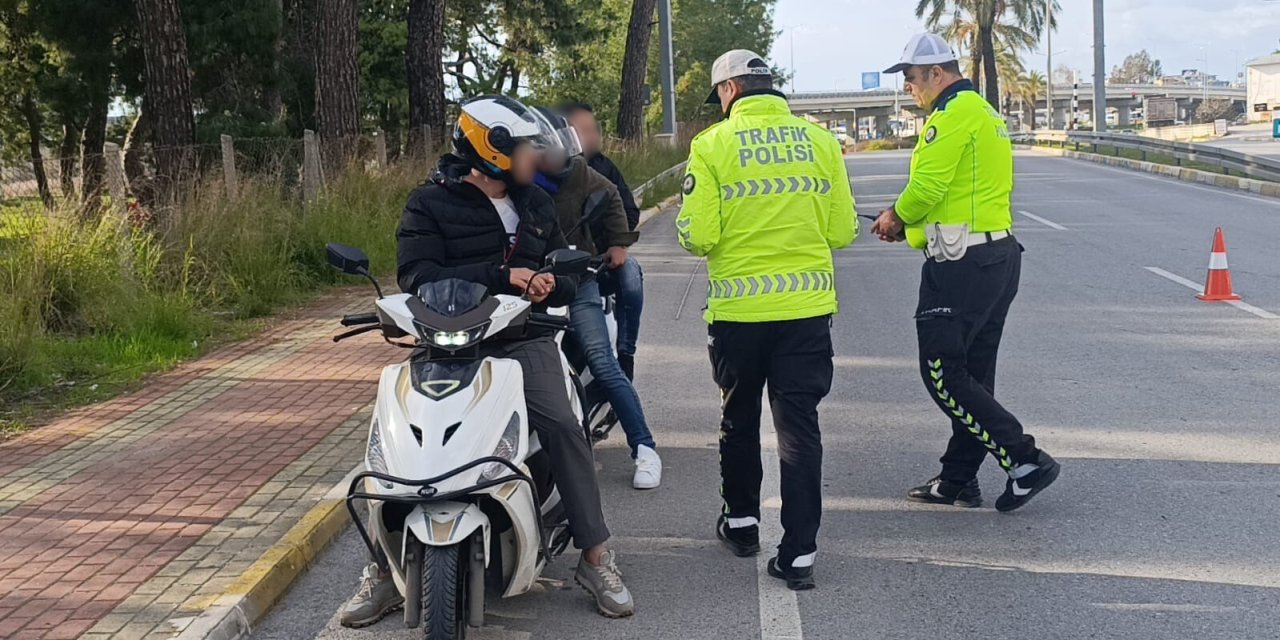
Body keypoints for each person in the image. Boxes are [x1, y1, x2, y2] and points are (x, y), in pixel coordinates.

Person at [339, 96, 634, 626]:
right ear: (490, 148)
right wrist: (504, 277)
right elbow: (417, 275)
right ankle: (381, 571)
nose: (534, 157)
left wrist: (551, 281)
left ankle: (594, 557)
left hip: (521, 339)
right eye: (524, 148)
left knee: (565, 425)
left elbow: (564, 269)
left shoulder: (536, 205)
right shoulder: (430, 203)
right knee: (392, 435)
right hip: (444, 339)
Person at [677, 49, 857, 590]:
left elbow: (699, 236)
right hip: (805, 313)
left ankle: (742, 524)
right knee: (799, 429)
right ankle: (799, 553)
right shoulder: (821, 142)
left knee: (739, 418)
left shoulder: (712, 145)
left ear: (729, 91)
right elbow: (842, 230)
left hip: (739, 314)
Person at [872, 33, 1060, 513]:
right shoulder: (984, 113)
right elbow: (958, 195)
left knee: (942, 373)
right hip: (995, 256)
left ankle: (1024, 458)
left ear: (937, 74)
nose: (910, 89)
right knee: (973, 374)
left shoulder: (951, 117)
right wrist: (908, 230)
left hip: (961, 265)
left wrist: (895, 216)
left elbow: (928, 186)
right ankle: (957, 480)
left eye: (912, 79)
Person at [531, 106, 662, 490]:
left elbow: (612, 196)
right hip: (531, 284)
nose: (551, 155)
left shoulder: (584, 174)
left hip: (579, 279)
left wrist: (619, 243)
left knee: (603, 362)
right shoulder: (521, 180)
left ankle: (644, 448)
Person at [559, 102, 647, 383]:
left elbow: (629, 211)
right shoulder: (543, 170)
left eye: (593, 129)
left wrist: (613, 244)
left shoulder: (603, 167)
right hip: (552, 267)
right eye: (584, 130)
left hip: (598, 261)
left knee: (631, 275)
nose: (593, 136)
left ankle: (626, 353)